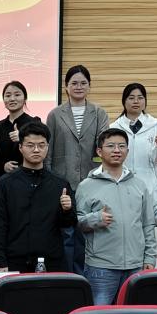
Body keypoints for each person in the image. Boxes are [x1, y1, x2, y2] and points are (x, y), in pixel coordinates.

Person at [74, 128, 157, 304]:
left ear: (127, 150)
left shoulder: (139, 185)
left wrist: (150, 257)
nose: (117, 150)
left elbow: (148, 224)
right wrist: (96, 219)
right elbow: (78, 222)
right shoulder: (86, 186)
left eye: (122, 146)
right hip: (100, 266)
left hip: (136, 265)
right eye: (111, 146)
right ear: (99, 151)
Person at [46, 64, 109, 273]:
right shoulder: (55, 114)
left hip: (92, 181)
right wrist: (49, 178)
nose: (79, 87)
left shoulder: (99, 113)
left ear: (89, 86)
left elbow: (105, 147)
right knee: (66, 233)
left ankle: (86, 277)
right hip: (62, 181)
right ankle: (67, 277)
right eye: (74, 83)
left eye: (83, 83)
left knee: (86, 232)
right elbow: (48, 148)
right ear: (66, 87)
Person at [0, 122, 74, 273]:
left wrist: (67, 210)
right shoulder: (6, 183)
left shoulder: (60, 183)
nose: (36, 149)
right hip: (15, 261)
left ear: (48, 147)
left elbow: (68, 224)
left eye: (41, 145)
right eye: (30, 145)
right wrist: (0, 261)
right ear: (20, 147)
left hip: (52, 261)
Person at [108, 83, 157, 195]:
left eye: (140, 98)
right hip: (121, 182)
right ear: (124, 101)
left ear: (145, 101)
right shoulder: (114, 127)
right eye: (131, 98)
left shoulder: (155, 125)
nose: (136, 101)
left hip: (149, 184)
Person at [0, 80, 41, 182]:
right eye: (8, 96)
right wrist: (3, 165)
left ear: (25, 98)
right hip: (2, 181)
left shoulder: (35, 123)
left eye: (17, 95)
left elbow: (41, 150)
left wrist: (23, 138)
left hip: (29, 179)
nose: (12, 99)